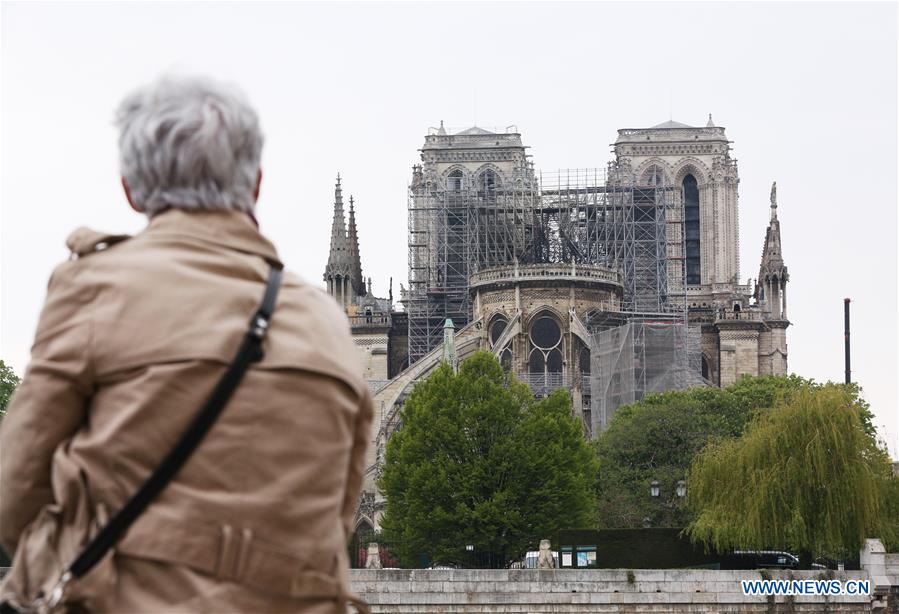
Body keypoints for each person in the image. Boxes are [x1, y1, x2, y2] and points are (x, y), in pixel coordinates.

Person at [0, 76, 372, 612]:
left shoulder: (92, 288)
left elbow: (17, 497)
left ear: (130, 187)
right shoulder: (327, 322)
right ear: (256, 185)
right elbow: (338, 511)